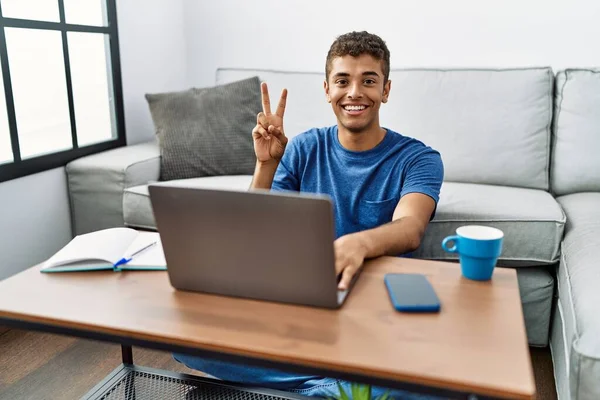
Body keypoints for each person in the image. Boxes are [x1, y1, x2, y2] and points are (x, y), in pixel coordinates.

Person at [175, 31, 444, 399]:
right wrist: (265, 165)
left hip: (374, 308)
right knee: (185, 341)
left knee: (438, 387)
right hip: (304, 306)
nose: (354, 93)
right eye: (342, 80)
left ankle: (313, 382)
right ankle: (332, 387)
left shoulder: (419, 158)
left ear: (386, 90)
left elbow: (411, 228)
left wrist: (356, 244)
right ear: (327, 89)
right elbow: (256, 228)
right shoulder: (304, 146)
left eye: (368, 80)